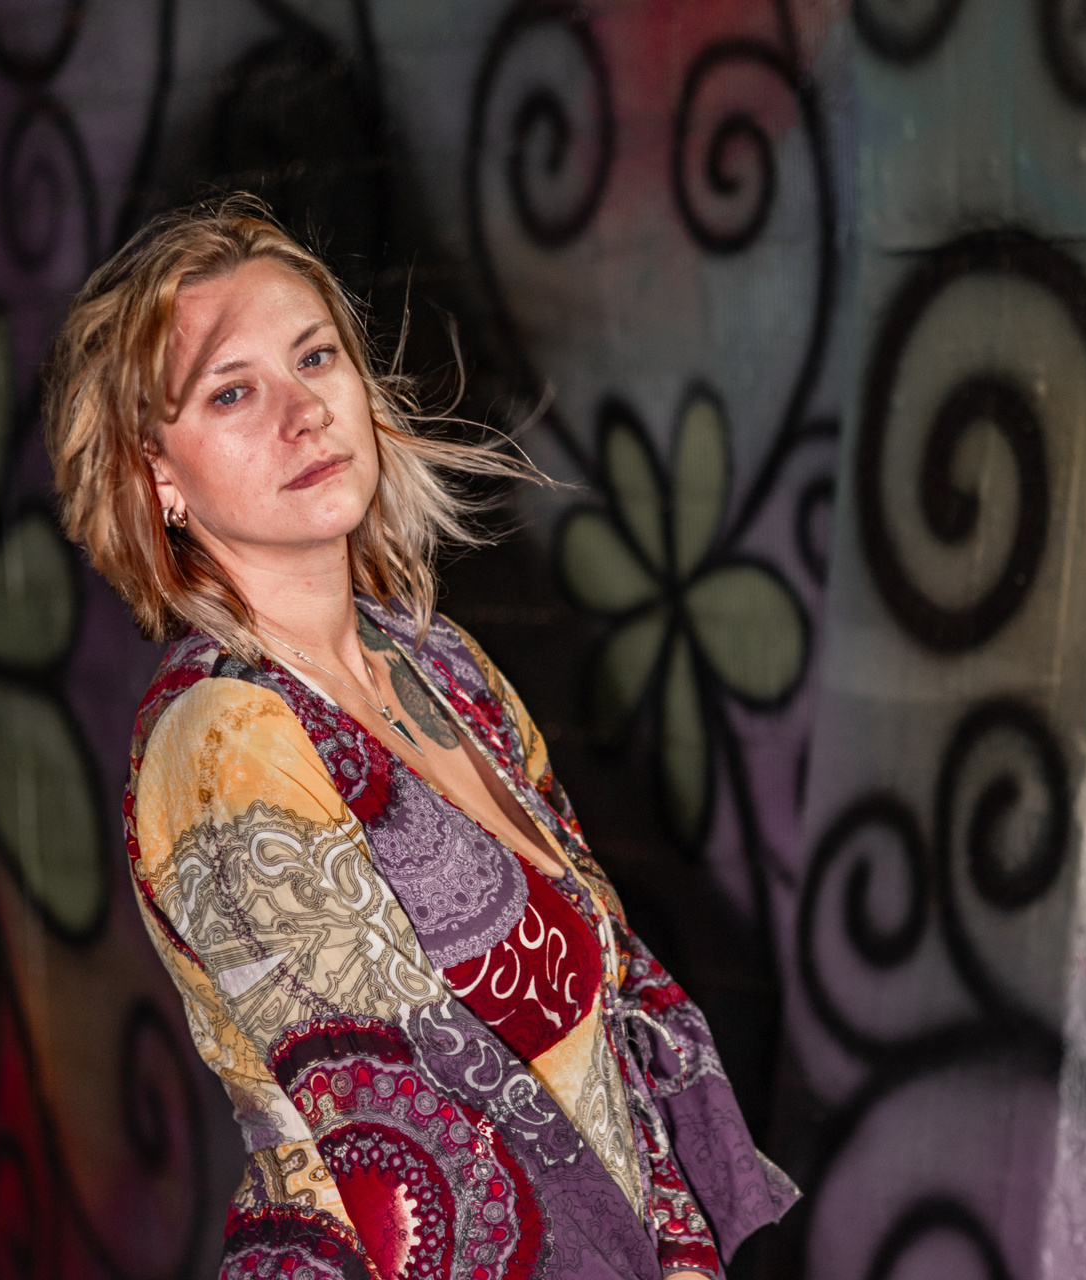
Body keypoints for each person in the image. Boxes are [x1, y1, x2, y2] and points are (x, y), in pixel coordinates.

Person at [45, 194, 797, 1280]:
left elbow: (617, 1026)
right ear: (157, 472)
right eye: (232, 390)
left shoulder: (437, 663)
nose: (303, 411)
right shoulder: (221, 742)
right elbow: (427, 1145)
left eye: (316, 358)